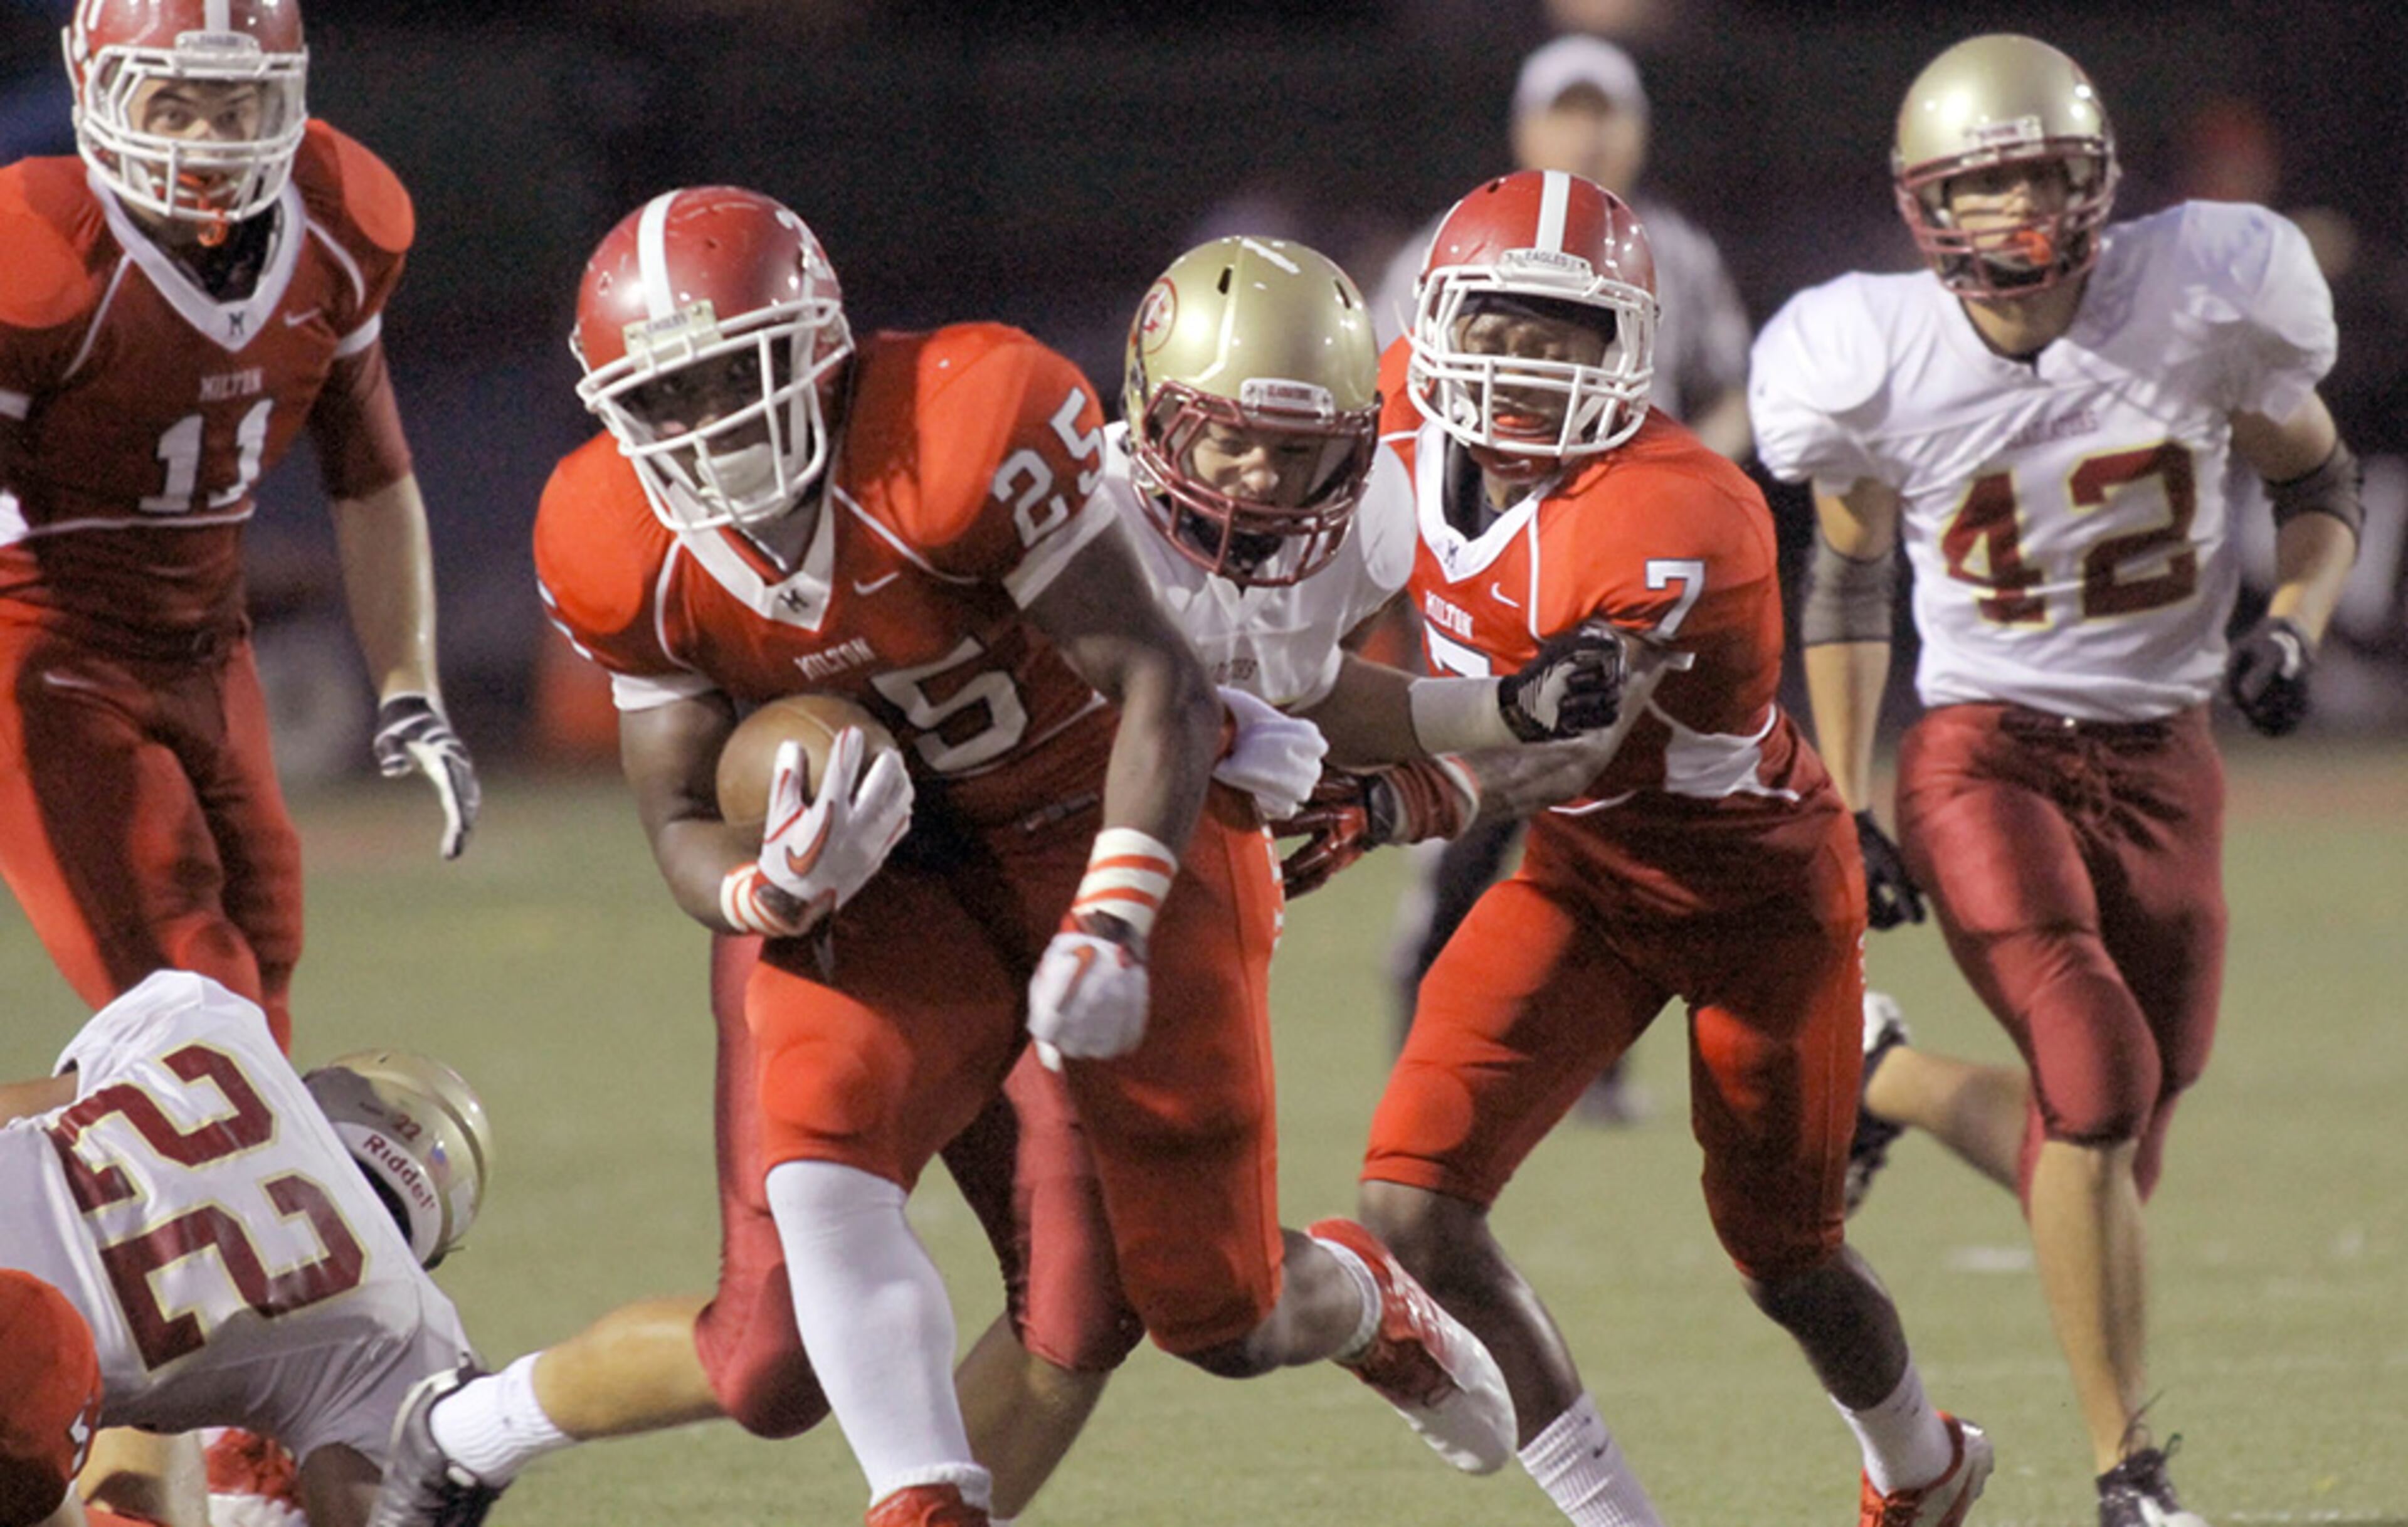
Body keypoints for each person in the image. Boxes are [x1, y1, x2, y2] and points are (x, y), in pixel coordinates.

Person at [371, 186, 1526, 1527]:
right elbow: (681, 815)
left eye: (737, 376)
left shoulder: (963, 423)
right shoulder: (606, 530)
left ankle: (1361, 1299)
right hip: (877, 865)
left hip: (1090, 821)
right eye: (667, 396)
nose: (710, 426)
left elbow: (1159, 674)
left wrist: (1122, 906)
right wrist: (761, 884)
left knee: (1190, 1308)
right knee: (770, 1352)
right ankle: (475, 1432)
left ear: (818, 345)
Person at [1750, 33, 2362, 1527]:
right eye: (1987, 181)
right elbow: (1847, 575)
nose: (2018, 207)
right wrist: (1848, 792)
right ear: (1924, 202)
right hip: (1986, 750)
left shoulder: (2198, 297)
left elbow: (2317, 474)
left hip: (2167, 759)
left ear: (2096, 180)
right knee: (2093, 1084)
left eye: (2042, 174)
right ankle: (2127, 1475)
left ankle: (1886, 1077)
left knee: (2109, 1150)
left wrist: (2293, 621)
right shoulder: (1876, 353)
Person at [1355, 167, 1993, 1527]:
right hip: (1585, 883)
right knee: (1413, 1205)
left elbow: (1563, 751)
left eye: (1563, 335)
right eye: (1499, 327)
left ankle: (1922, 1465)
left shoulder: (1680, 508)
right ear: (1438, 322)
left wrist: (1373, 805)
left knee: (1787, 1260)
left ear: (1632, 347)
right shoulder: (1394, 407)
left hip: (1757, 903)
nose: (1522, 366)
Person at [0, 0, 478, 1056]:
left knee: (261, 964)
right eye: (172, 106)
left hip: (213, 646)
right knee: (195, 996)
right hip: (45, 643)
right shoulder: (37, 251)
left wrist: (409, 684)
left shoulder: (337, 223)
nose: (207, 142)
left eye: (235, 106)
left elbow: (371, 475)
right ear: (96, 92)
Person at [1375, 34, 1756, 1126]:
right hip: (1488, 556)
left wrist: (1677, 498)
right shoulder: (1449, 245)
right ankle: (1428, 1015)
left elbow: (1735, 388)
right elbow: (1391, 403)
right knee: (1477, 794)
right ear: (1524, 126)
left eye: (1605, 114)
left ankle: (1602, 1046)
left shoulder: (1674, 251)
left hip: (1621, 564)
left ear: (1637, 133)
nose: (1585, 135)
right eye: (1566, 112)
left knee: (1623, 804)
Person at [1111, 233, 1639, 888]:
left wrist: (1507, 707)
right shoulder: (1086, 513)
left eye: (1298, 450)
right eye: (1230, 439)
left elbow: (1313, 688)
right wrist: (1224, 732)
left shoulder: (1370, 516)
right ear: (1152, 416)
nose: (1264, 477)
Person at [0, 968, 492, 1527]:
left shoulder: (213, 1018)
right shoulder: (401, 1327)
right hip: (19, 1359)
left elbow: (15, 1110)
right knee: (40, 1363)